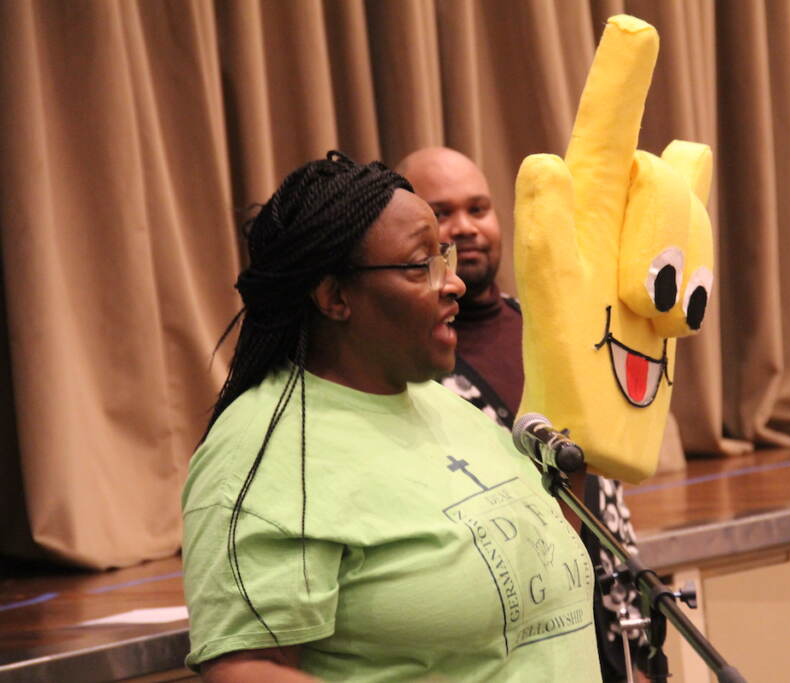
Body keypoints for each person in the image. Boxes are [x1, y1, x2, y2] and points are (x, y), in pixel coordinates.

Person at [181, 151, 601, 681]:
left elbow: (525, 598)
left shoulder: (449, 407)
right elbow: (245, 670)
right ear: (334, 295)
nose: (453, 284)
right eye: (420, 264)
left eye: (444, 259)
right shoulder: (263, 451)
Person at [397, 146, 647, 682]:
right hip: (517, 650)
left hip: (617, 638)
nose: (464, 227)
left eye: (479, 208)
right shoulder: (414, 363)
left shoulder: (558, 330)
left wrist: (645, 653)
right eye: (441, 213)